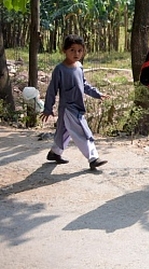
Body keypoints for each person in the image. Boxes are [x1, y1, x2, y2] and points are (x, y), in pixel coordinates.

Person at [41, 34, 109, 170]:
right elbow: (52, 90)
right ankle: (93, 158)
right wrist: (48, 108)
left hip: (78, 106)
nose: (76, 53)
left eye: (79, 50)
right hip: (68, 108)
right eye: (72, 50)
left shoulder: (79, 66)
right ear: (64, 50)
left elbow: (84, 85)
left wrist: (97, 94)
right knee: (82, 132)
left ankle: (55, 153)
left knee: (65, 131)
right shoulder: (60, 69)